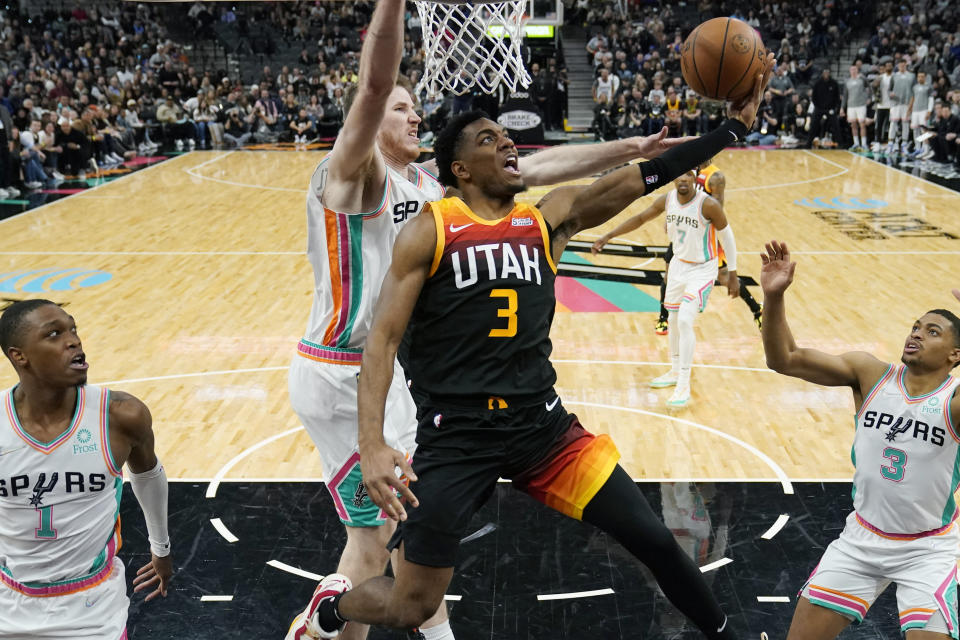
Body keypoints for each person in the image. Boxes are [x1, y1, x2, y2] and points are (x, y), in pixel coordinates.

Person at [292, 51, 774, 639]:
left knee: (655, 539)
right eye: (490, 139)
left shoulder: (548, 220)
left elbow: (644, 177)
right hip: (456, 437)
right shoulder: (431, 228)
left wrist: (731, 129)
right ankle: (334, 609)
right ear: (460, 169)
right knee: (411, 605)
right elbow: (382, 342)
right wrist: (370, 443)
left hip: (542, 431)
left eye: (507, 139)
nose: (508, 145)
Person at [759, 241, 960, 640]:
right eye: (915, 326)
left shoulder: (952, 404)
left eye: (931, 332)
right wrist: (774, 296)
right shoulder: (870, 374)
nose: (916, 334)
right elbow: (784, 358)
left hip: (929, 550)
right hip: (861, 540)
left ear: (955, 355)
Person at [0, 299, 173, 638]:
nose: (73, 341)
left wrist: (161, 548)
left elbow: (148, 474)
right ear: (19, 355)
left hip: (93, 607)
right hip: (9, 601)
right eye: (53, 334)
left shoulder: (121, 415)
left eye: (73, 329)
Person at [589, 170, 739, 406]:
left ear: (695, 178)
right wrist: (608, 236)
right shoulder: (667, 200)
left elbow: (727, 237)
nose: (682, 179)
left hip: (702, 268)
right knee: (673, 319)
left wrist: (733, 272)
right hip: (679, 266)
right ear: (673, 179)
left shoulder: (707, 205)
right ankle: (674, 370)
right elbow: (640, 219)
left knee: (685, 321)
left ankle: (684, 384)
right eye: (678, 175)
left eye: (688, 175)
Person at [842, 65, 870, 151]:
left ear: (857, 70)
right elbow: (845, 96)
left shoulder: (862, 79)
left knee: (862, 124)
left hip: (861, 105)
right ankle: (856, 143)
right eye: (852, 70)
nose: (853, 71)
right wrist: (842, 108)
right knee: (853, 125)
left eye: (855, 69)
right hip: (851, 106)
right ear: (850, 71)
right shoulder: (847, 82)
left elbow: (869, 88)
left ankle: (864, 144)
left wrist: (869, 98)